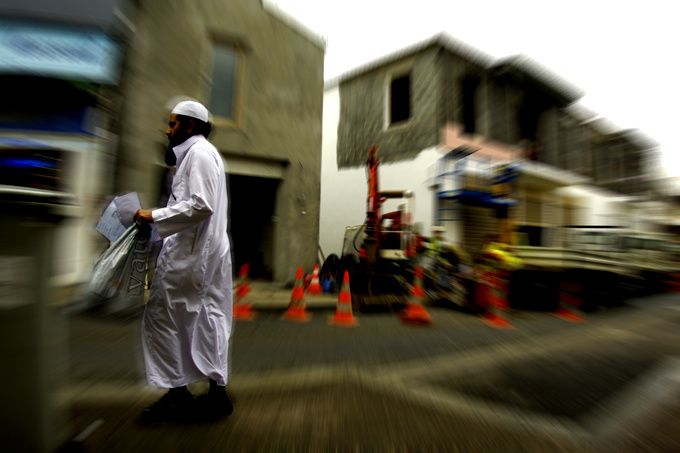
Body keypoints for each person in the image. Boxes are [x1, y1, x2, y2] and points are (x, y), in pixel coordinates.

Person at [134, 99, 233, 423]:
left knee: (164, 319)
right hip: (202, 254)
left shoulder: (199, 155)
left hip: (192, 257)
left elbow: (200, 205)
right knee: (208, 319)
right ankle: (216, 395)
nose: (167, 128)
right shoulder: (201, 154)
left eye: (173, 123)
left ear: (190, 125)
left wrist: (153, 215)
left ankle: (178, 394)